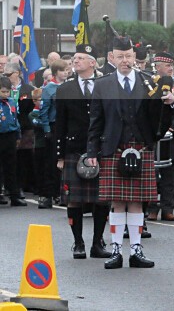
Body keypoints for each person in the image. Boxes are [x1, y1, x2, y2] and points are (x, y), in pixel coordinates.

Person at [85, 36, 174, 269]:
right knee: (117, 203)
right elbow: (96, 121)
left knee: (136, 202)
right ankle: (116, 249)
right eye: (120, 56)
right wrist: (92, 150)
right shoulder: (102, 85)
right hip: (114, 148)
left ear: (135, 57)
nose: (125, 60)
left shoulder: (149, 83)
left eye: (128, 56)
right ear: (112, 58)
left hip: (141, 146)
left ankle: (136, 249)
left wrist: (169, 103)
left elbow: (159, 120)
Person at [54, 44, 112, 259]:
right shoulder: (65, 89)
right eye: (74, 58)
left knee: (102, 199)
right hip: (74, 149)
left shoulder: (105, 85)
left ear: (92, 63)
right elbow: (59, 123)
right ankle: (78, 243)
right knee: (74, 200)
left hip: (100, 149)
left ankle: (97, 243)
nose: (75, 61)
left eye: (80, 58)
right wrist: (59, 155)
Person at [146, 52, 174, 222]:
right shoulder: (148, 84)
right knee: (152, 176)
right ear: (158, 66)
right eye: (167, 65)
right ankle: (152, 208)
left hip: (172, 138)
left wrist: (171, 127)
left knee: (170, 175)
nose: (171, 68)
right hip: (153, 137)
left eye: (171, 65)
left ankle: (167, 209)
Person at [37, 59, 70, 209]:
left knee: (66, 161)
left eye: (67, 70)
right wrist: (47, 130)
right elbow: (44, 111)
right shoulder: (49, 88)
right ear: (56, 72)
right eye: (63, 70)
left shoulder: (70, 86)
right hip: (54, 125)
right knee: (51, 162)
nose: (66, 73)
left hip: (68, 126)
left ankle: (62, 193)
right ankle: (47, 194)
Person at [0, 75, 26, 207]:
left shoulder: (11, 102)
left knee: (11, 166)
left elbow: (16, 119)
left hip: (10, 136)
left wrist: (18, 135)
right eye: (3, 91)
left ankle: (14, 195)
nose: (6, 94)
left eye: (7, 91)